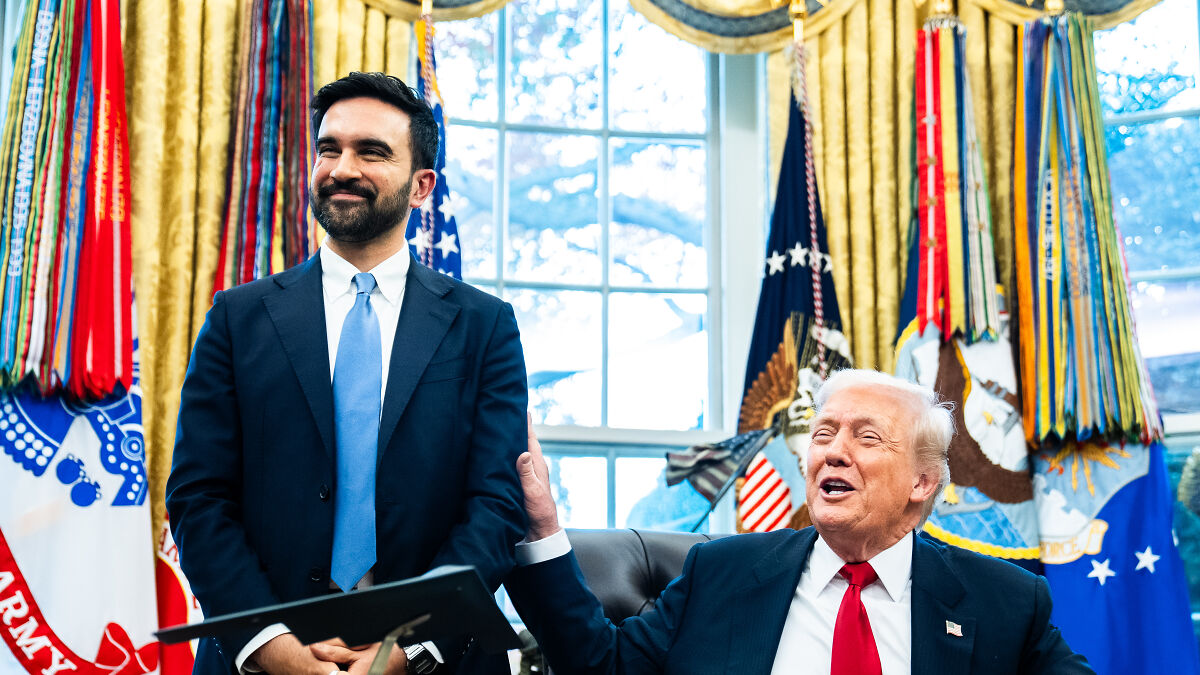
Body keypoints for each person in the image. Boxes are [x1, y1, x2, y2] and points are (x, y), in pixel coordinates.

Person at [166, 72, 528, 675]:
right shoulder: (237, 318)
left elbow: (496, 505)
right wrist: (273, 646)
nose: (341, 168)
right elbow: (198, 499)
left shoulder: (484, 326)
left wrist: (408, 649)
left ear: (421, 187)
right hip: (261, 656)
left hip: (433, 661)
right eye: (329, 148)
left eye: (372, 152)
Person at [507, 369, 1094, 674]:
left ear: (922, 483)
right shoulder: (721, 573)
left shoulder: (1005, 603)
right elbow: (598, 666)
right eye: (822, 433)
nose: (832, 452)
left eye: (866, 437)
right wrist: (542, 529)